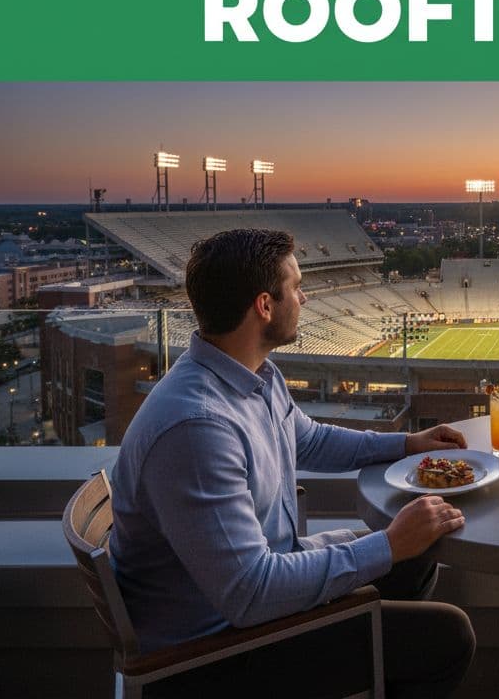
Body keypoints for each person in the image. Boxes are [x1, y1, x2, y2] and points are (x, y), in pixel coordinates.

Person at [109, 228, 474, 698]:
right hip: (213, 657)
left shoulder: (252, 374)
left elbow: (311, 440)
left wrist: (405, 444)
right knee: (446, 638)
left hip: (248, 610)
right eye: (296, 286)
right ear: (264, 305)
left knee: (419, 556)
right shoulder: (196, 428)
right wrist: (385, 544)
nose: (304, 296)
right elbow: (250, 593)